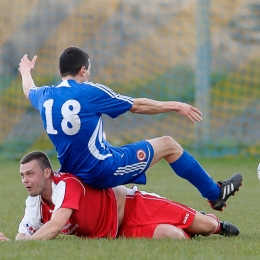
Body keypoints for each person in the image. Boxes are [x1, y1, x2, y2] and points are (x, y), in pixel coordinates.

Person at [18, 47, 243, 211]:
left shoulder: (45, 96)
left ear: (61, 72)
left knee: (104, 143)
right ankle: (215, 194)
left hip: (73, 172)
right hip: (101, 169)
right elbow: (137, 105)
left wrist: (26, 70)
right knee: (169, 145)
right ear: (83, 70)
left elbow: (29, 89)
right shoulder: (89, 91)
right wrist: (175, 105)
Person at [0, 151, 240, 242]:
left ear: (47, 172)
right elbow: (26, 233)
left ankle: (214, 224)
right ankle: (190, 230)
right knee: (176, 238)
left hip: (135, 206)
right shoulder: (35, 201)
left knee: (205, 226)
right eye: (22, 175)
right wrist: (13, 245)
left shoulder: (67, 185)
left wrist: (25, 243)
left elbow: (53, 227)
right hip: (119, 232)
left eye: (30, 174)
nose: (25, 180)